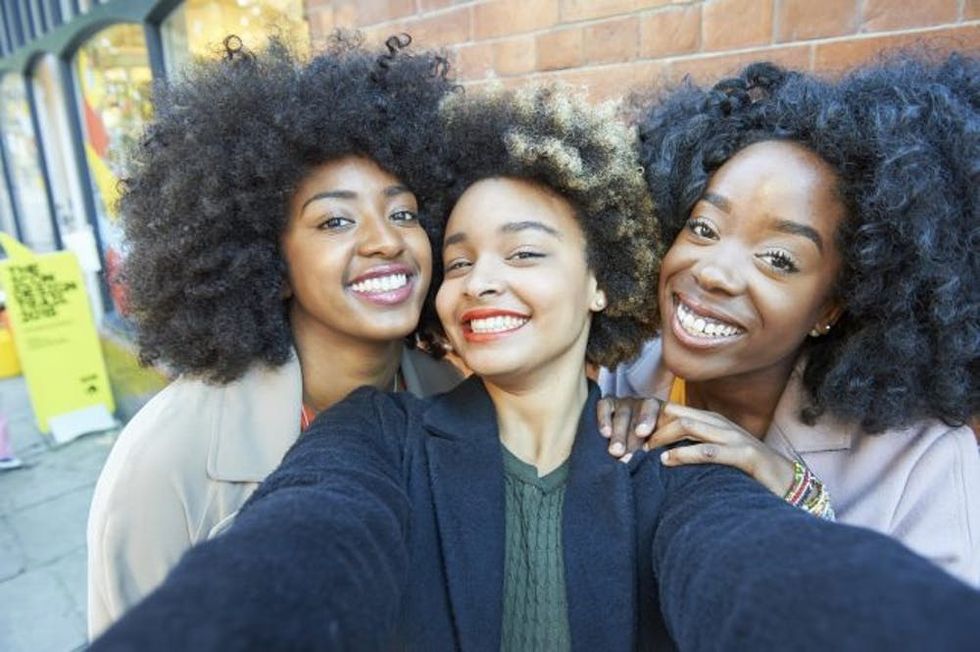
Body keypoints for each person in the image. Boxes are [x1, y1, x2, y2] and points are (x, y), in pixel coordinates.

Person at [90, 84, 980, 652]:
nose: (480, 281)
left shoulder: (666, 459)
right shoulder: (373, 433)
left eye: (525, 252)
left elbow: (757, 569)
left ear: (600, 281)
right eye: (461, 255)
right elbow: (313, 537)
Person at [86, 33, 463, 637]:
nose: (386, 241)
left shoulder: (452, 395)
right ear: (269, 260)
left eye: (404, 213)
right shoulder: (166, 462)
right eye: (335, 220)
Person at [598, 54, 980, 584]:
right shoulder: (619, 375)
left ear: (830, 306)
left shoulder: (922, 463)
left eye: (778, 259)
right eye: (704, 228)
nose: (714, 273)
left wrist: (799, 498)